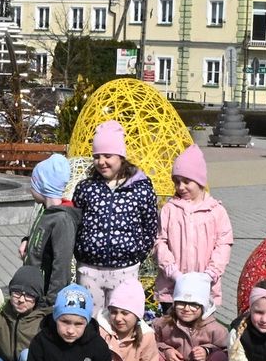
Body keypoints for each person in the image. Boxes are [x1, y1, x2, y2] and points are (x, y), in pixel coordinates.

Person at [72, 120, 159, 314]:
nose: (101, 162)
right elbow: (75, 221)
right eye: (96, 156)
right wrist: (81, 249)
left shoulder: (140, 189)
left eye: (107, 155)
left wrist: (136, 253)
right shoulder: (86, 188)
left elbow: (150, 226)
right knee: (91, 319)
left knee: (119, 321)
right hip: (89, 269)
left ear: (121, 156)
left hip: (125, 270)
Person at [154, 144, 232, 312]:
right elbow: (160, 242)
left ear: (200, 181)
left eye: (186, 181)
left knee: (200, 326)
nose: (180, 187)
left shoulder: (216, 211)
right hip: (172, 287)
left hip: (204, 287)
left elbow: (223, 244)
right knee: (171, 326)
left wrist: (210, 274)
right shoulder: (169, 209)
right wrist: (171, 271)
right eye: (176, 182)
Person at [20, 153, 78, 297]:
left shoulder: (61, 219)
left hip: (45, 294)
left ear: (43, 186)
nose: (30, 189)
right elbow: (42, 237)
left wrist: (51, 300)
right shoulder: (46, 211)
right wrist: (27, 241)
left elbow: (61, 264)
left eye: (33, 184)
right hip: (34, 287)